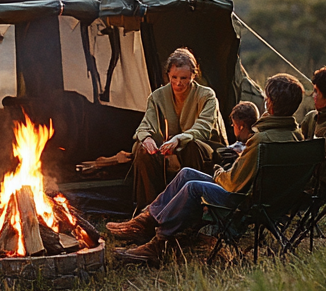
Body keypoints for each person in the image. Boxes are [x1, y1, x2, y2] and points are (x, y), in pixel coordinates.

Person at [116, 73, 305, 266]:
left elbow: (234, 183)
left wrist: (217, 173)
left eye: (266, 99)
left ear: (270, 104)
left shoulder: (261, 140)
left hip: (247, 201)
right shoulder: (297, 136)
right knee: (187, 173)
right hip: (271, 199)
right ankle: (146, 221)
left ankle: (158, 243)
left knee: (193, 187)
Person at [106, 47, 227, 239]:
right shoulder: (158, 96)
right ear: (168, 75)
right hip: (169, 147)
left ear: (193, 76)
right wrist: (146, 139)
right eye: (174, 78)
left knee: (192, 146)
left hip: (205, 146)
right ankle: (146, 216)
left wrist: (179, 139)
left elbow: (203, 128)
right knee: (141, 150)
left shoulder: (206, 95)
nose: (179, 83)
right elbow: (146, 125)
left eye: (184, 78)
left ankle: (192, 214)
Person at [214, 101, 260, 168]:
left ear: (240, 126)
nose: (233, 127)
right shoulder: (261, 142)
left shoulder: (236, 151)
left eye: (234, 124)